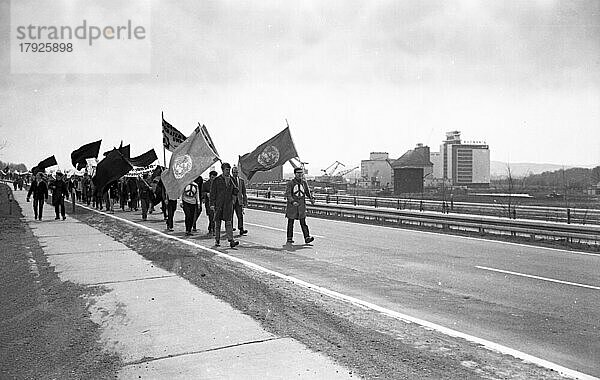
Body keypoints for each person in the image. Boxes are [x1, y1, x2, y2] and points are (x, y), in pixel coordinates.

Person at [210, 163, 239, 248]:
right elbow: (212, 193)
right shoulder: (217, 180)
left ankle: (231, 240)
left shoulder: (231, 180)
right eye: (227, 169)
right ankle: (217, 240)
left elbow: (235, 190)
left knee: (228, 223)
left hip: (228, 205)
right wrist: (212, 204)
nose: (228, 171)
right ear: (223, 170)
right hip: (219, 205)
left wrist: (234, 195)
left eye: (229, 169)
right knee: (218, 224)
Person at [285, 167, 315, 244]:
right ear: (295, 174)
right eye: (298, 173)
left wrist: (311, 199)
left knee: (303, 223)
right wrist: (292, 201)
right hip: (292, 207)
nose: (300, 175)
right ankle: (289, 238)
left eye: (301, 173)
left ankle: (307, 237)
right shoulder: (290, 183)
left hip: (301, 206)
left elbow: (307, 192)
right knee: (291, 222)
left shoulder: (304, 183)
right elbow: (288, 194)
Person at [231, 166, 248, 235]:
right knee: (230, 215)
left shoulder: (241, 181)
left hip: (239, 201)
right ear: (232, 173)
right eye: (234, 172)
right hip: (232, 201)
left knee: (240, 215)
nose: (235, 173)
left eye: (236, 172)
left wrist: (245, 201)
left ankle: (241, 229)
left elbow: (244, 192)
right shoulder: (230, 180)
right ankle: (230, 228)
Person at [201, 170, 217, 235]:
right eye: (212, 177)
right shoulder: (205, 184)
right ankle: (212, 229)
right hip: (209, 202)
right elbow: (202, 192)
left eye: (215, 177)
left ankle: (211, 228)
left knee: (215, 216)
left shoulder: (218, 183)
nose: (213, 179)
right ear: (210, 177)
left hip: (216, 202)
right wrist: (206, 194)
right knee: (211, 215)